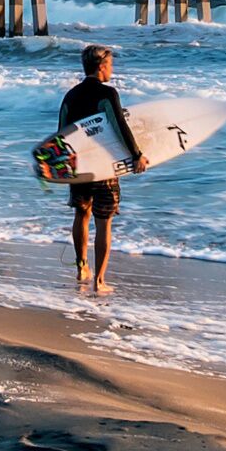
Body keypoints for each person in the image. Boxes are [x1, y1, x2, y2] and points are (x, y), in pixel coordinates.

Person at [57, 43, 141, 294]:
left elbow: (62, 132)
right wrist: (136, 155)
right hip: (104, 167)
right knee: (104, 222)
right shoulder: (108, 93)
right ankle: (100, 281)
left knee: (81, 214)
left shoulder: (71, 95)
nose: (112, 70)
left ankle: (82, 267)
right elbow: (119, 127)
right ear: (102, 66)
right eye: (111, 65)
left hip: (79, 167)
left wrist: (63, 167)